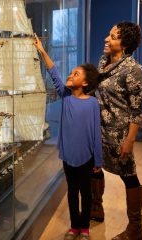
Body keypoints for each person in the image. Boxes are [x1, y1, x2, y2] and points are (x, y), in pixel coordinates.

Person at [34, 35, 102, 240]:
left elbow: (96, 133)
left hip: (86, 158)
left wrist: (98, 160)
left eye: (76, 74)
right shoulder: (65, 96)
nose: (71, 75)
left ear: (86, 82)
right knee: (72, 193)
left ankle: (85, 228)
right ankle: (74, 227)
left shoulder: (92, 103)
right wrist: (42, 51)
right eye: (72, 73)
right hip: (68, 157)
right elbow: (54, 73)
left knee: (85, 193)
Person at [91, 22, 142, 240]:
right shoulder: (103, 62)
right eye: (109, 34)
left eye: (113, 37)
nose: (106, 39)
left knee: (128, 176)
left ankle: (135, 229)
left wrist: (130, 141)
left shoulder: (134, 70)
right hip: (99, 129)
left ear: (124, 44)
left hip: (120, 134)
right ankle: (96, 208)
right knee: (95, 168)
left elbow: (136, 110)